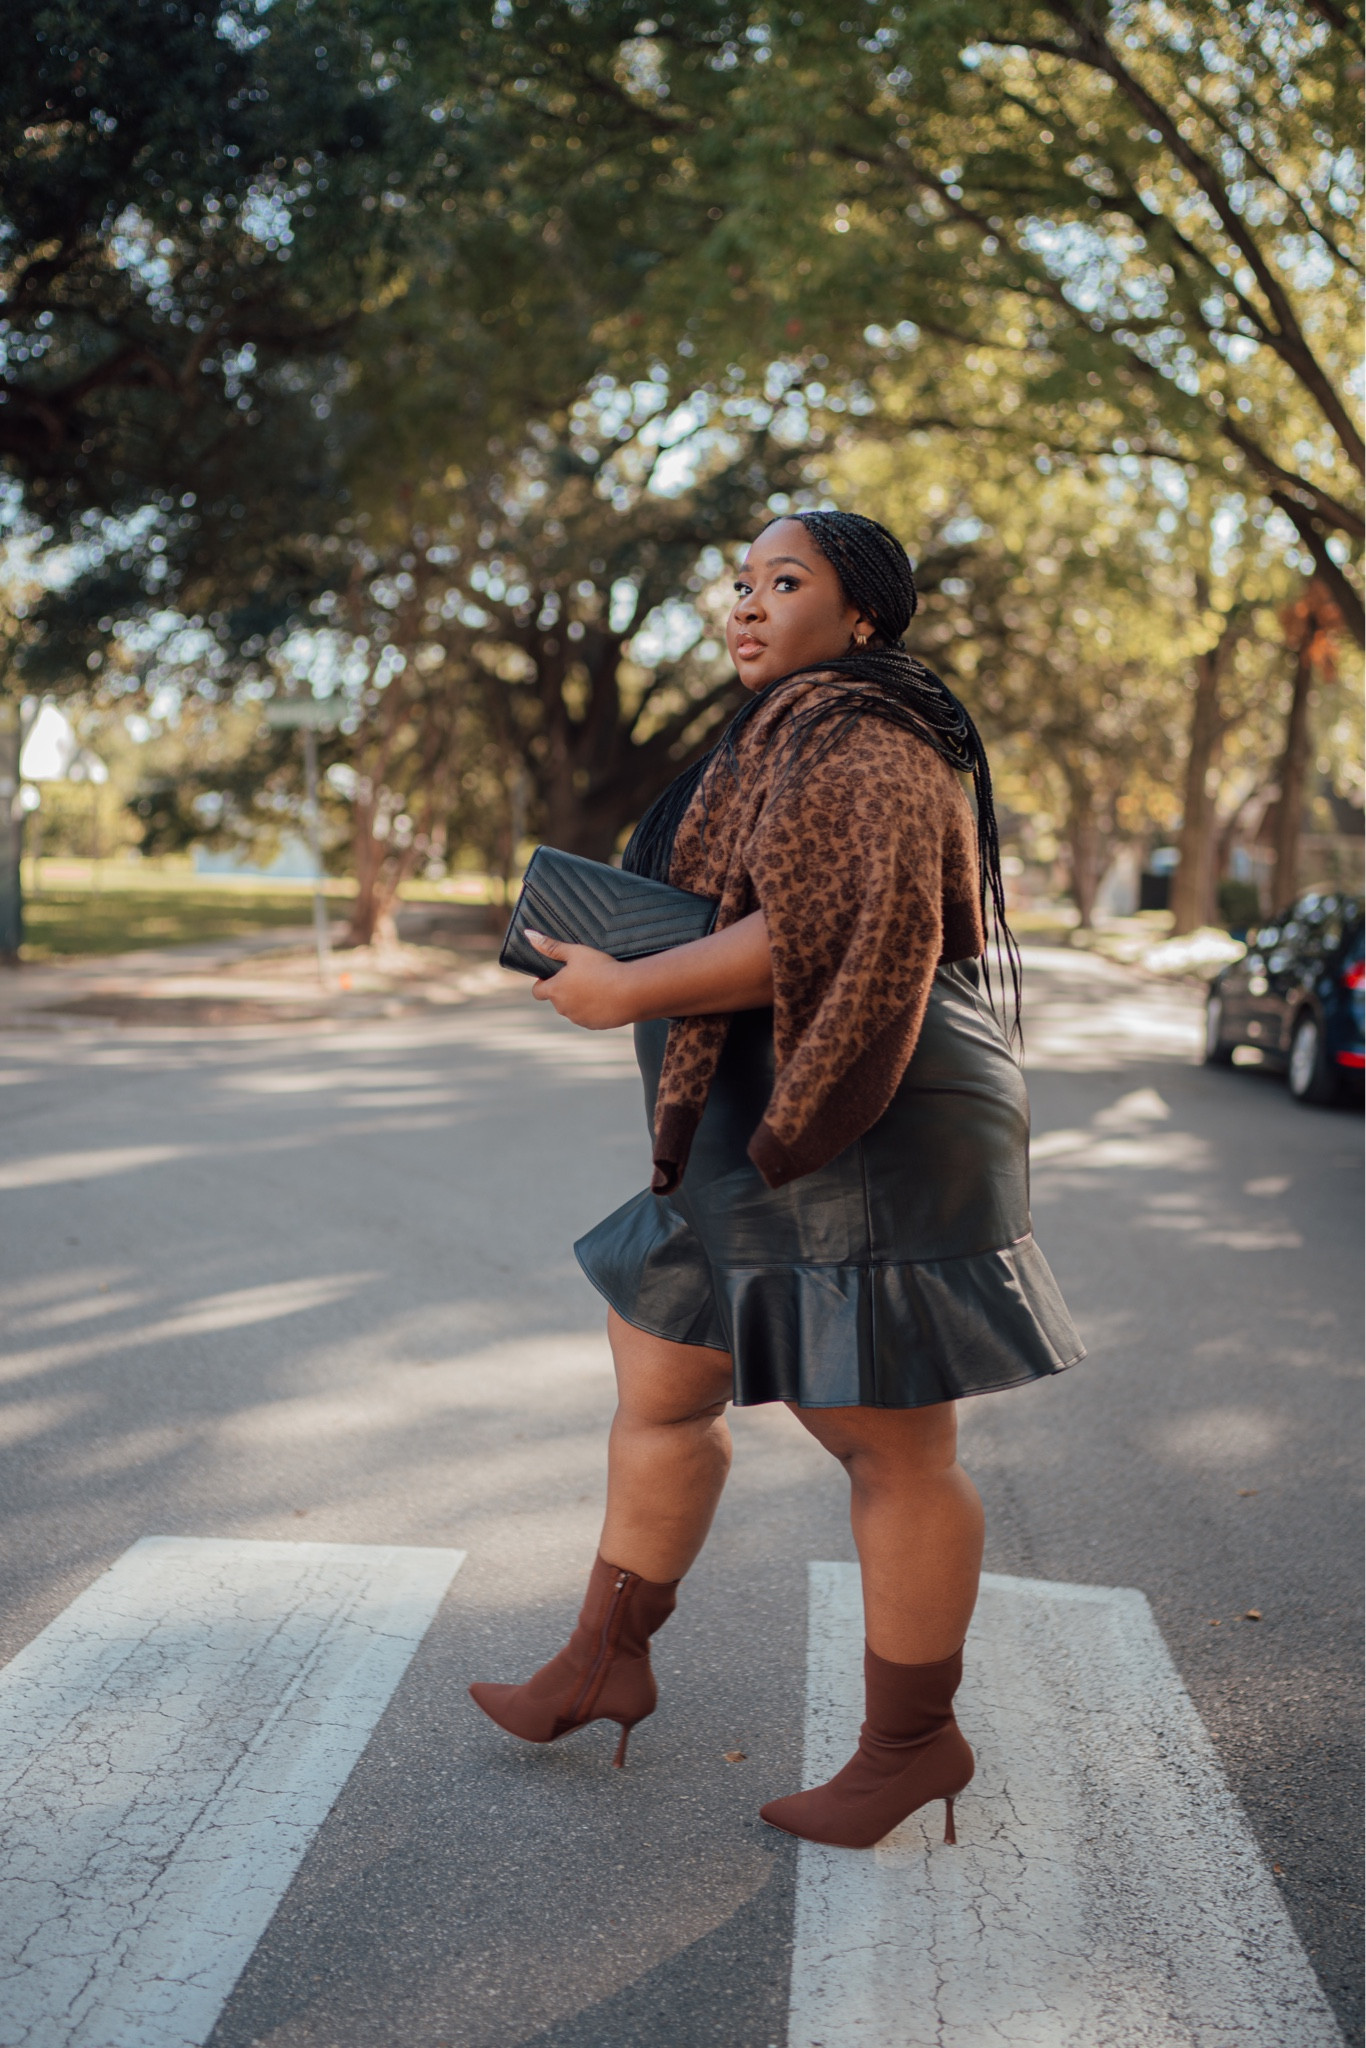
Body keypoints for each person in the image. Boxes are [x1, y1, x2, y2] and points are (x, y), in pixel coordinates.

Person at [469, 510, 1083, 1849]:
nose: (745, 604)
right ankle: (603, 1657)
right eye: (738, 583)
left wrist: (625, 983)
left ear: (859, 614)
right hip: (769, 1104)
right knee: (661, 1371)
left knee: (883, 1437)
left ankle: (912, 1744)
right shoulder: (783, 729)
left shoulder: (861, 736)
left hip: (869, 1110)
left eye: (783, 582)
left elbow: (826, 933)